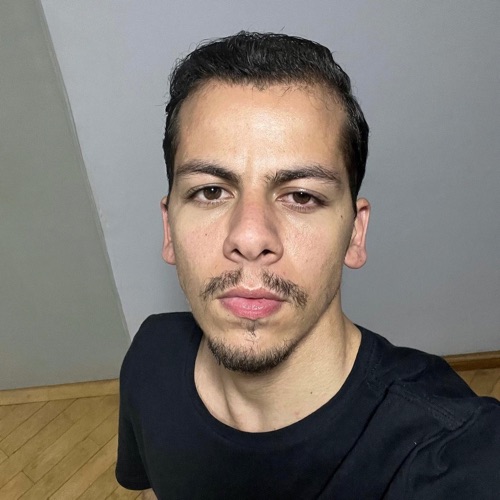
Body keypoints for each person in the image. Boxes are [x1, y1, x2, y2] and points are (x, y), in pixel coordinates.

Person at [116, 32, 500, 499]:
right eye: (210, 191)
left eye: (301, 196)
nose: (250, 237)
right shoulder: (152, 357)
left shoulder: (450, 450)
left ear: (355, 233)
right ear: (169, 228)